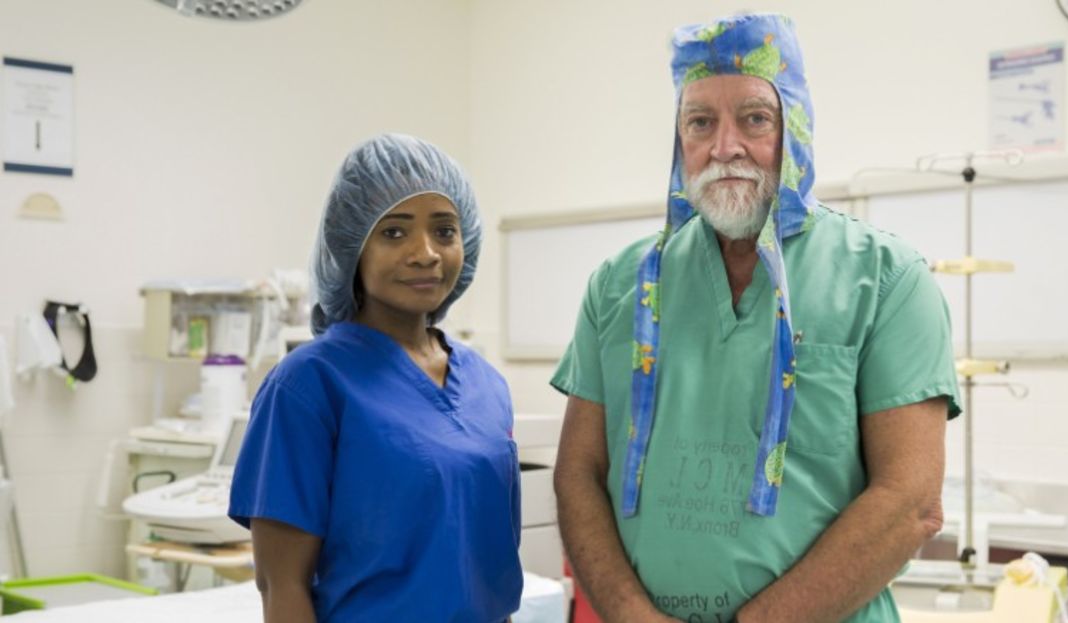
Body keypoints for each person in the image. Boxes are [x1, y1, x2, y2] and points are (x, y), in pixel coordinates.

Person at [551, 13, 962, 623]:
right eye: (699, 122)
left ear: (792, 126)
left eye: (753, 118)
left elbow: (909, 503)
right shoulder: (620, 285)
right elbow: (579, 475)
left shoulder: (885, 280)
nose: (725, 147)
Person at [229, 133, 523, 623]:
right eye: (394, 232)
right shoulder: (308, 386)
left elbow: (485, 573)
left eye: (445, 231)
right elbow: (282, 587)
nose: (425, 252)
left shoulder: (486, 385)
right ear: (351, 247)